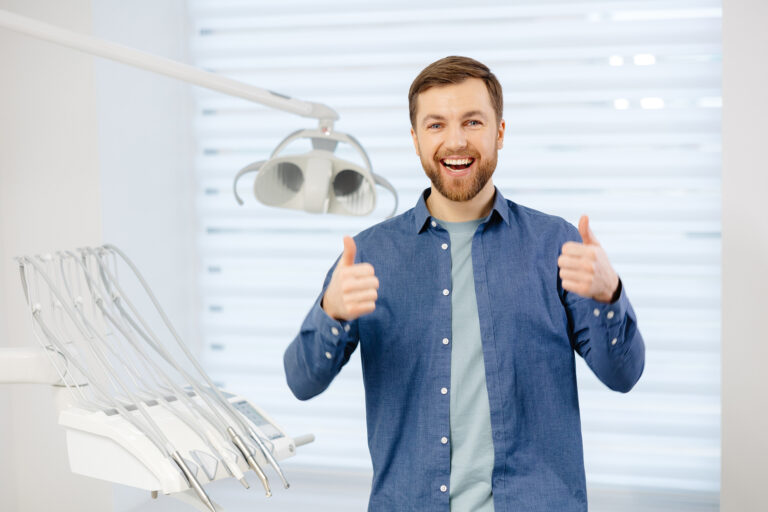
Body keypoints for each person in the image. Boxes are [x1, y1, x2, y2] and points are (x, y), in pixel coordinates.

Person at [284, 56, 645, 512]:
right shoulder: (369, 256)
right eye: (436, 125)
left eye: (472, 121)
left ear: (499, 131)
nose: (455, 141)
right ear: (415, 140)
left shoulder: (556, 245)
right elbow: (301, 381)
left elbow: (624, 374)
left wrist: (609, 294)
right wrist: (330, 312)